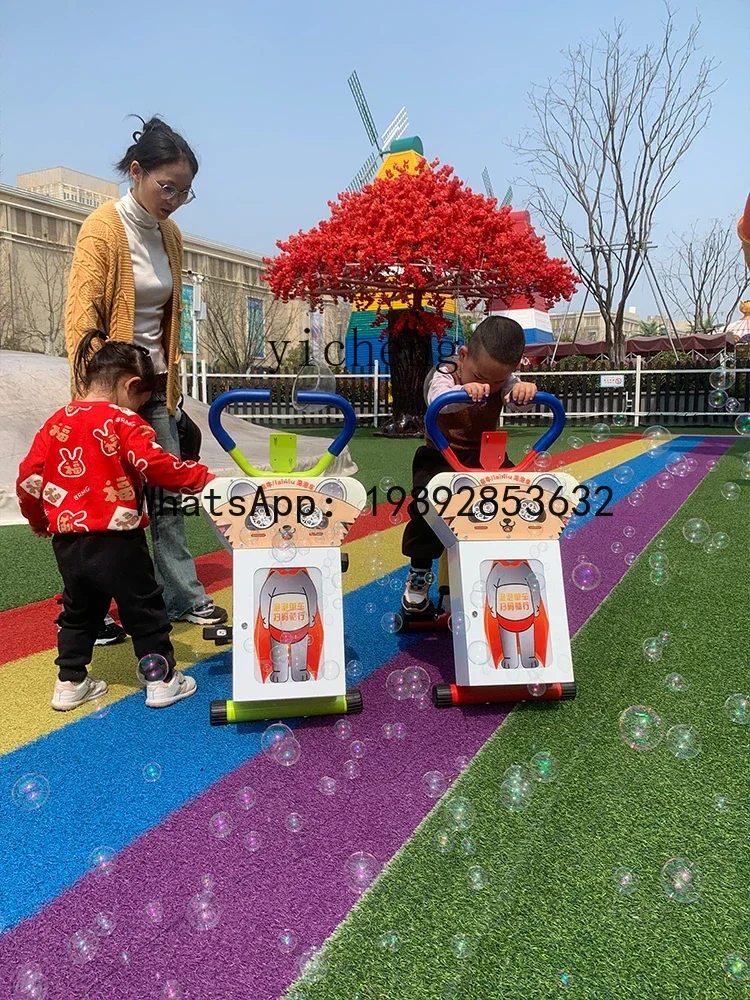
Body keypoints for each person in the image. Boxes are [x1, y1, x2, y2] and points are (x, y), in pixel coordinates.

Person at [64, 115, 227, 643]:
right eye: (167, 187)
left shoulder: (172, 235)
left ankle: (182, 595)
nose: (174, 199)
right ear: (136, 172)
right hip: (109, 390)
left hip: (156, 388)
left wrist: (170, 393)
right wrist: (97, 390)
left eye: (184, 192)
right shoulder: (103, 227)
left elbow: (168, 319)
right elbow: (81, 308)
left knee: (168, 498)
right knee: (105, 503)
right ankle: (96, 610)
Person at [16, 332, 214, 711]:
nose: (139, 409)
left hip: (69, 541)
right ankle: (162, 679)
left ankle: (70, 682)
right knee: (143, 605)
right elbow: (155, 465)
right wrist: (202, 479)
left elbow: (28, 478)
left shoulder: (57, 421)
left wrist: (40, 519)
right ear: (131, 385)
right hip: (119, 539)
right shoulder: (125, 421)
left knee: (79, 610)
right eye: (141, 401)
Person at [401, 315, 538, 614]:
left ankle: (500, 570)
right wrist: (464, 393)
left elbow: (515, 399)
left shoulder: (504, 380)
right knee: (427, 508)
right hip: (441, 457)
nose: (489, 386)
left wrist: (523, 393)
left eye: (498, 381)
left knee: (513, 497)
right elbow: (438, 399)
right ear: (463, 357)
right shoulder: (445, 374)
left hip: (487, 458)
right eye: (480, 377)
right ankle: (419, 574)